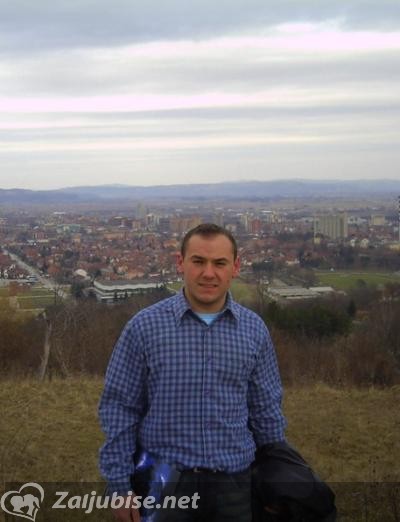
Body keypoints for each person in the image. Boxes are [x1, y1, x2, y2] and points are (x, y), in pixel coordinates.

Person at [99, 223, 286, 521]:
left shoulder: (254, 330)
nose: (208, 273)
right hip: (163, 482)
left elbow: (266, 413)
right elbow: (120, 408)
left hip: (235, 484)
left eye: (219, 263)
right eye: (198, 261)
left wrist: (278, 480)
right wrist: (120, 485)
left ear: (235, 267)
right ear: (180, 263)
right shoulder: (144, 327)